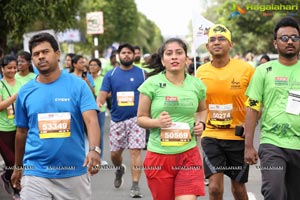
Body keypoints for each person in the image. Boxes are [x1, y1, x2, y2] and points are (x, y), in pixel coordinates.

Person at [10, 32, 101, 200]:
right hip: (35, 172)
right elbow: (21, 132)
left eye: (46, 52)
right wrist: (18, 167)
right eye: (36, 54)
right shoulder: (25, 91)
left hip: (73, 172)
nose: (41, 57)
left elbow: (91, 120)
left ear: (57, 54)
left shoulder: (78, 86)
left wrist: (94, 149)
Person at [137, 38, 207, 200]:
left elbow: (202, 109)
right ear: (162, 61)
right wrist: (157, 123)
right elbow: (141, 118)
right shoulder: (151, 84)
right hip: (159, 157)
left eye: (179, 53)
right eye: (169, 54)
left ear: (186, 58)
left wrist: (201, 123)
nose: (174, 57)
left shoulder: (197, 85)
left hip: (188, 155)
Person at [196, 24, 255, 200]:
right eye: (212, 39)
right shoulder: (200, 72)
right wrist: (198, 123)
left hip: (237, 137)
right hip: (211, 135)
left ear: (231, 44)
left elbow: (256, 102)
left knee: (238, 188)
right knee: (214, 188)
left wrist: (250, 124)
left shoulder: (246, 70)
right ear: (207, 46)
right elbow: (199, 105)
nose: (217, 42)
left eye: (222, 39)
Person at [244, 16, 300, 200]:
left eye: (294, 37)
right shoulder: (263, 71)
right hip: (272, 144)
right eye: (284, 38)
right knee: (274, 192)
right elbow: (252, 107)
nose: (290, 41)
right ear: (275, 43)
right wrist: (248, 146)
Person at [97, 43, 146, 198]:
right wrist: (98, 103)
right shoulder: (111, 74)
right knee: (114, 155)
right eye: (123, 52)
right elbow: (103, 93)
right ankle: (119, 168)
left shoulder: (142, 74)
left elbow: (150, 94)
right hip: (117, 119)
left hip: (137, 119)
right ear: (119, 55)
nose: (126, 55)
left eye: (129, 53)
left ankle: (135, 185)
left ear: (134, 55)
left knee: (135, 151)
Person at [0, 54, 22, 200]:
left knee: (19, 162)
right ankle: (10, 180)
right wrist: (14, 97)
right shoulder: (0, 85)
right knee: (11, 161)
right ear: (2, 69)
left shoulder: (21, 82)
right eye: (9, 68)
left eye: (15, 67)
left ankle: (17, 187)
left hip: (20, 128)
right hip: (3, 129)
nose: (13, 70)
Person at [88, 58, 108, 166]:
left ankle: (100, 157)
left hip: (100, 109)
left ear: (99, 68)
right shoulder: (85, 78)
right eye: (91, 65)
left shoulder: (103, 79)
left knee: (99, 133)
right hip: (87, 110)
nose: (92, 67)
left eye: (95, 65)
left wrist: (102, 98)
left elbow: (108, 92)